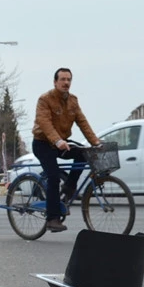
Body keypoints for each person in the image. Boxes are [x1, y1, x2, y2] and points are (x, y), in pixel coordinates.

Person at [32, 67, 99, 233]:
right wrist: (57, 140)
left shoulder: (73, 101)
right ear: (55, 82)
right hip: (43, 143)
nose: (66, 82)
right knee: (53, 177)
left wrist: (95, 142)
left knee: (84, 154)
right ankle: (52, 219)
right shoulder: (45, 99)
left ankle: (68, 189)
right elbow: (44, 123)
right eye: (62, 79)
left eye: (68, 79)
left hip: (61, 142)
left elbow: (82, 122)